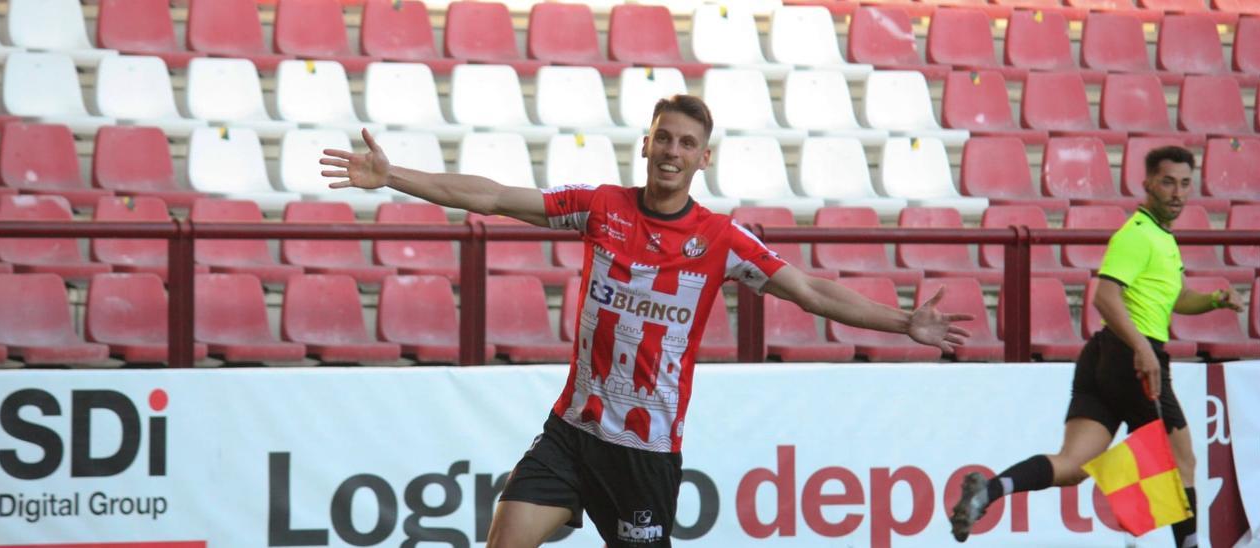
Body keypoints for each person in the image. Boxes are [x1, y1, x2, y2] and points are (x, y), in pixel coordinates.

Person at [322, 95, 973, 548]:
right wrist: (393, 177)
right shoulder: (599, 208)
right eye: (663, 137)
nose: (671, 151)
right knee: (506, 539)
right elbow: (492, 197)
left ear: (702, 160)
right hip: (571, 434)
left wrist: (902, 322)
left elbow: (810, 292)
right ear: (646, 143)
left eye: (686, 143)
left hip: (645, 453)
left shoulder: (721, 240)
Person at [947, 146, 1245, 547]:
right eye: (1168, 182)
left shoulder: (1161, 238)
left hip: (1104, 357)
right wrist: (1141, 349)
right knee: (1182, 462)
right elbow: (1104, 296)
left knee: (1073, 466)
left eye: (1185, 184)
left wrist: (1214, 300)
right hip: (1133, 358)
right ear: (1148, 184)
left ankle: (989, 490)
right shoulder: (1137, 235)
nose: (1177, 192)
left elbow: (1174, 298)